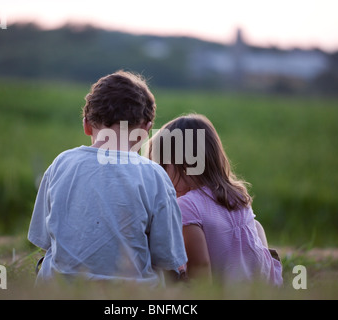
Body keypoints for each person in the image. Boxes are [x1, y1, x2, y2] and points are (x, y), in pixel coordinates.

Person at [28, 70, 187, 286]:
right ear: (146, 130)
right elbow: (167, 258)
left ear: (86, 125)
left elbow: (43, 240)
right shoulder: (154, 175)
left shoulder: (61, 164)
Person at [148, 113, 283, 286]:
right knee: (256, 226)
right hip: (262, 287)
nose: (160, 177)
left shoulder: (186, 206)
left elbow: (201, 267)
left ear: (183, 164)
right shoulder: (235, 194)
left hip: (225, 290)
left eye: (161, 167)